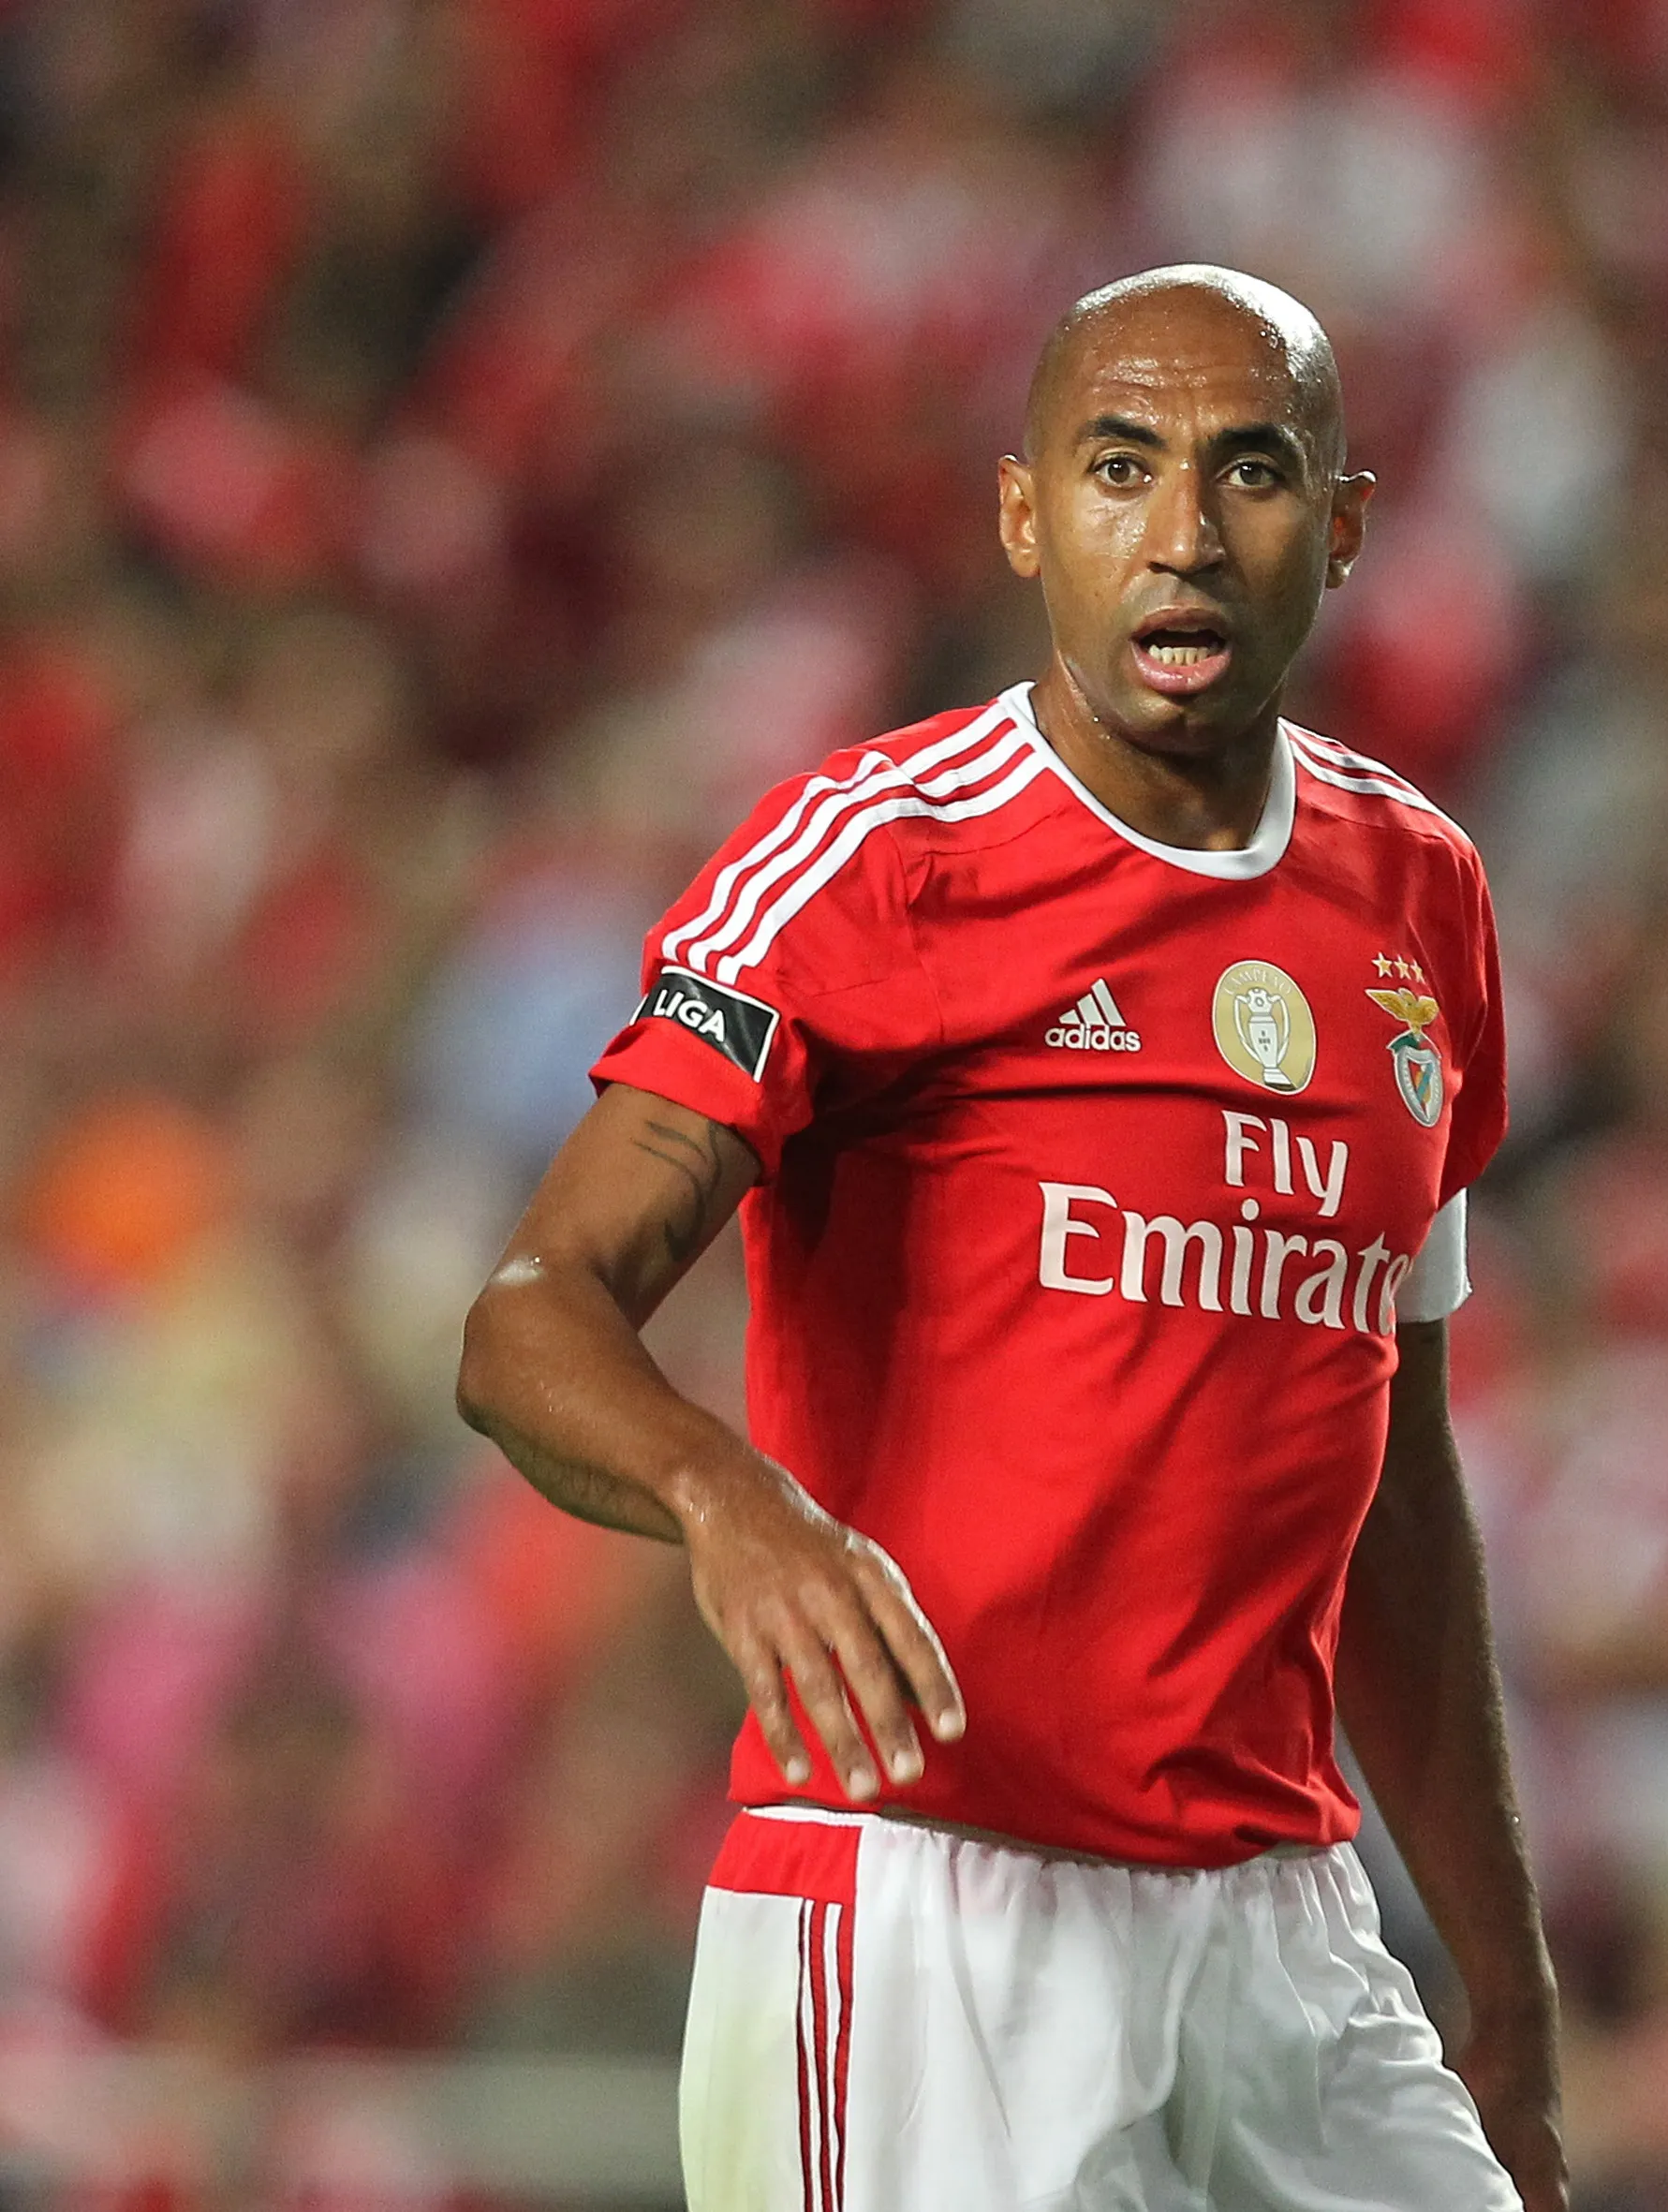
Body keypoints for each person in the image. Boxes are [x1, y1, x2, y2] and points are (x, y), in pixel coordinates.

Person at [456, 266, 1561, 2212]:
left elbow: (1397, 1472)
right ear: (1025, 515)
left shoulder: (1422, 902)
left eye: (1252, 472)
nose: (1185, 534)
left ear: (1350, 521)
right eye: (1119, 467)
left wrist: (1503, 1964)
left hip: (1286, 1926)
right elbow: (529, 1316)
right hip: (923, 1914)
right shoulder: (876, 857)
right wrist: (732, 1500)